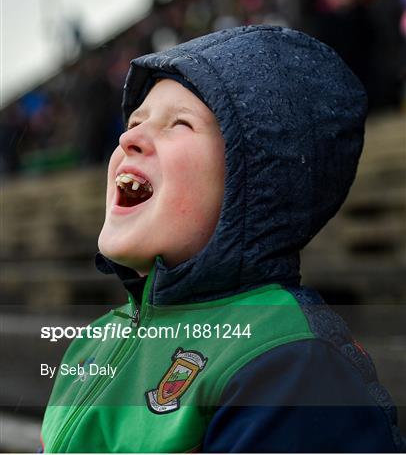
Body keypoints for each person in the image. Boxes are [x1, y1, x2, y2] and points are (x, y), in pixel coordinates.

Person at [40, 25, 405, 453]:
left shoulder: (288, 364)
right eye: (136, 120)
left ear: (255, 183)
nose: (128, 138)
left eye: (178, 124)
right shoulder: (92, 344)